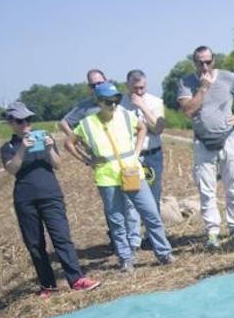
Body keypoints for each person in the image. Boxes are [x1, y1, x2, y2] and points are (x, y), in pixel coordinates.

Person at [70, 83, 175, 271]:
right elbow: (69, 143)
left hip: (131, 172)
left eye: (116, 100)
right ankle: (125, 258)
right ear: (99, 102)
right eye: (108, 102)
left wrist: (136, 151)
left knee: (150, 213)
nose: (113, 105)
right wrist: (87, 160)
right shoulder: (87, 123)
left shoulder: (126, 115)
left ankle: (164, 252)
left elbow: (142, 128)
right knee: (117, 220)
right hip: (107, 178)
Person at [0, 101, 99, 298]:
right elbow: (11, 169)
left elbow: (58, 164)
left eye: (28, 119)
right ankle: (48, 285)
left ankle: (77, 279)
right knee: (35, 244)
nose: (26, 124)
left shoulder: (44, 137)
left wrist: (49, 149)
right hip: (25, 199)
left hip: (51, 194)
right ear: (11, 122)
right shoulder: (8, 147)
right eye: (20, 121)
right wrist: (22, 150)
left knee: (62, 238)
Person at [177, 46, 234, 249]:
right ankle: (212, 233)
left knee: (233, 185)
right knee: (207, 190)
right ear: (194, 62)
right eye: (200, 62)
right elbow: (188, 111)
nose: (205, 66)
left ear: (214, 60)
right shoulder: (186, 82)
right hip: (202, 142)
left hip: (229, 138)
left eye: (208, 61)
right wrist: (203, 87)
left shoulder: (227, 77)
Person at [60, 69, 141, 249]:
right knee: (113, 207)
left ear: (106, 80)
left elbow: (137, 125)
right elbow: (64, 123)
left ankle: (134, 240)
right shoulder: (85, 107)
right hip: (104, 166)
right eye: (93, 85)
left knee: (131, 202)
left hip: (126, 161)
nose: (97, 86)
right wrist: (83, 146)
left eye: (99, 82)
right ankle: (119, 241)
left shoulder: (118, 100)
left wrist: (135, 150)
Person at [121, 69, 166, 249]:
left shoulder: (155, 102)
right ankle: (133, 239)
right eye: (135, 88)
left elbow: (158, 128)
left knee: (153, 197)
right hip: (131, 158)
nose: (139, 91)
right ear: (128, 86)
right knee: (131, 199)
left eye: (142, 87)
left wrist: (143, 107)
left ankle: (151, 237)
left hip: (152, 154)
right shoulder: (120, 105)